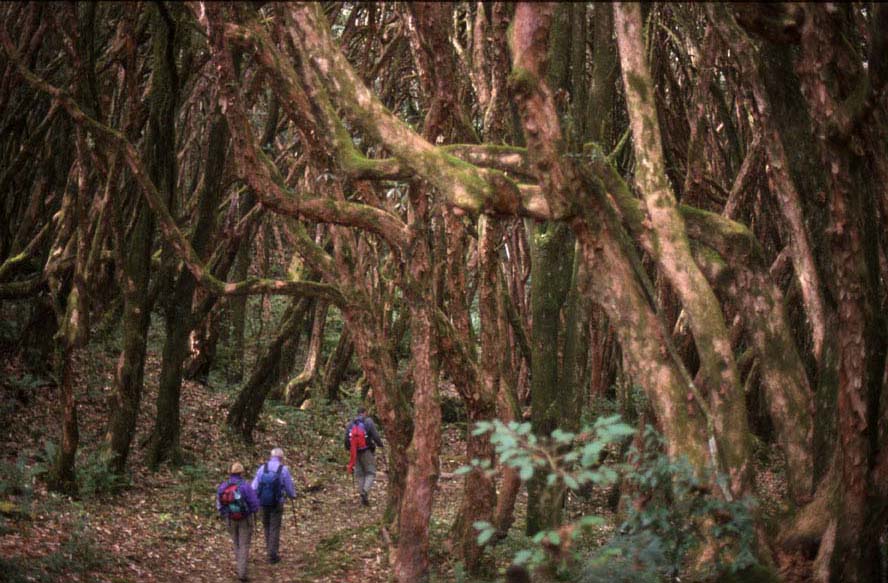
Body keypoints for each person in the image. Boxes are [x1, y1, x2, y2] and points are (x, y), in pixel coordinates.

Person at [251, 447, 297, 564]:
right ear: (281, 457)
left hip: (263, 502)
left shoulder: (262, 468)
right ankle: (273, 554)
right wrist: (292, 495)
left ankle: (269, 550)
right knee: (274, 527)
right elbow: (289, 487)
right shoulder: (283, 469)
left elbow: (254, 487)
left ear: (271, 457)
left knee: (266, 526)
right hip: (277, 502)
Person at [216, 462, 260, 582]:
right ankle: (242, 573)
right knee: (244, 545)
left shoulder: (223, 486)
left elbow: (219, 504)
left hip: (230, 519)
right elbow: (255, 505)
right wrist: (251, 511)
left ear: (230, 472)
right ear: (241, 472)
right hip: (245, 519)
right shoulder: (245, 486)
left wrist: (225, 514)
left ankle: (240, 567)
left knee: (236, 543)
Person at [344, 407, 384, 506]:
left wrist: (349, 449)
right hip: (366, 451)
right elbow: (375, 436)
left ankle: (363, 497)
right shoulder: (368, 422)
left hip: (355, 452)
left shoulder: (350, 424)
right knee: (371, 473)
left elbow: (346, 439)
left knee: (360, 474)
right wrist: (380, 444)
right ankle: (365, 492)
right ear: (365, 413)